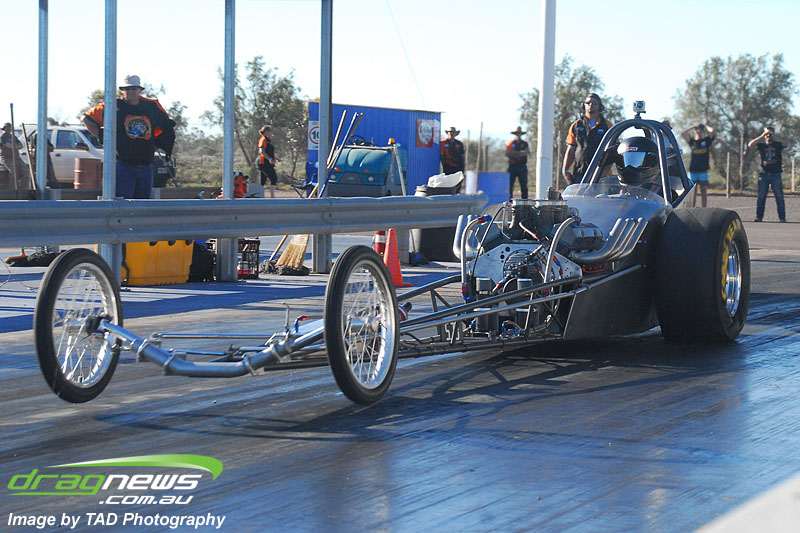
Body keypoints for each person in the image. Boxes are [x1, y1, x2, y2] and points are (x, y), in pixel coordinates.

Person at [82, 74, 175, 199]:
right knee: (123, 202)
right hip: (123, 165)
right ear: (122, 90)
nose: (131, 92)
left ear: (139, 90)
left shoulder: (151, 107)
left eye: (134, 89)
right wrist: (103, 137)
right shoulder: (113, 106)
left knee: (143, 204)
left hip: (146, 165)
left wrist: (156, 144)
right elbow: (86, 118)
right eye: (127, 89)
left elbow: (167, 127)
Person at [562, 93, 614, 185]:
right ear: (583, 105)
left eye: (594, 103)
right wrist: (565, 171)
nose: (591, 105)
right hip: (580, 173)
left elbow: (612, 151)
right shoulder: (576, 125)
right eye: (588, 103)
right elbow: (571, 149)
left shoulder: (607, 125)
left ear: (600, 106)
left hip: (600, 174)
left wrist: (605, 172)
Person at [748, 126, 788, 222]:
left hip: (776, 174)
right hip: (764, 174)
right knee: (761, 197)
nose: (768, 136)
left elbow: (786, 143)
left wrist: (775, 136)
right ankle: (759, 217)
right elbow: (750, 145)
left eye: (770, 134)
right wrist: (762, 135)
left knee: (779, 197)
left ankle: (782, 218)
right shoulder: (762, 146)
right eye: (767, 134)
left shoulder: (778, 145)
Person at [681, 123, 715, 207]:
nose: (698, 131)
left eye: (700, 129)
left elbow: (712, 131)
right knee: (693, 193)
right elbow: (683, 133)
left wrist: (705, 125)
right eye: (697, 129)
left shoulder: (706, 141)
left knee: (703, 191)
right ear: (694, 131)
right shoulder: (692, 142)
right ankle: (692, 208)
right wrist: (692, 126)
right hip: (693, 171)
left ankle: (704, 208)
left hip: (703, 171)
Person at [1, 122, 30, 189]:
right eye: (7, 128)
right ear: (4, 128)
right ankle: (12, 189)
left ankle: (23, 189)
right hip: (6, 158)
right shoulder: (3, 137)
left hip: (16, 157)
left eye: (10, 128)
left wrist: (14, 146)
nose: (8, 129)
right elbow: (8, 145)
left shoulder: (14, 137)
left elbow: (21, 145)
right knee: (13, 172)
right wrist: (15, 146)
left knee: (26, 171)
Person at [506, 126, 530, 200]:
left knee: (524, 185)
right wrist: (520, 153)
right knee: (510, 185)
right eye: (517, 133)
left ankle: (525, 201)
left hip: (522, 166)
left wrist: (514, 153)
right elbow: (507, 153)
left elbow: (526, 152)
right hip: (512, 166)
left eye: (519, 133)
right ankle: (509, 201)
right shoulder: (511, 143)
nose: (518, 135)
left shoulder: (525, 143)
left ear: (521, 134)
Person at [258, 125, 278, 198]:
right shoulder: (263, 139)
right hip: (263, 163)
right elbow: (262, 151)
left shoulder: (268, 140)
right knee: (273, 178)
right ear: (265, 132)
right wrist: (270, 159)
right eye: (268, 131)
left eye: (270, 131)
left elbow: (269, 152)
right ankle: (272, 197)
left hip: (267, 163)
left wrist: (276, 158)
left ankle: (258, 196)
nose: (270, 133)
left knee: (263, 180)